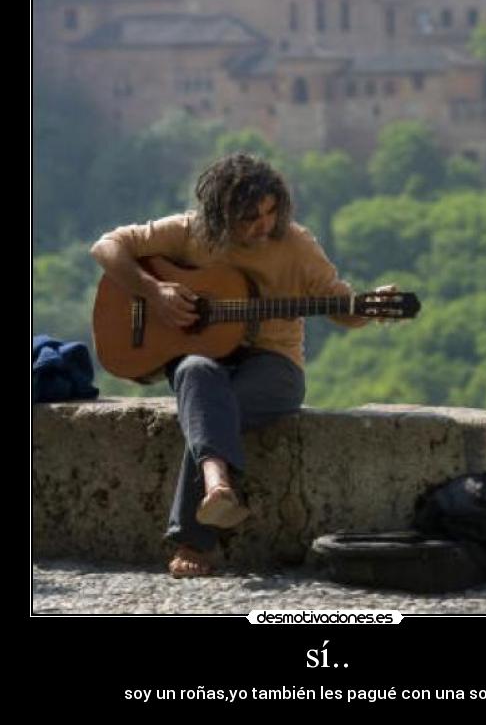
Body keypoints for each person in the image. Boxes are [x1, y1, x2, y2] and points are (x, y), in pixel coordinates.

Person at [91, 152, 393, 578]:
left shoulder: (296, 244)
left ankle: (205, 514)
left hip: (274, 365)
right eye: (250, 217)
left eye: (271, 213)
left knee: (209, 408)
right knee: (196, 370)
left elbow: (340, 305)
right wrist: (154, 291)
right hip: (207, 364)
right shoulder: (192, 232)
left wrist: (365, 308)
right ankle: (214, 493)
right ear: (220, 213)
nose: (264, 225)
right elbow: (106, 247)